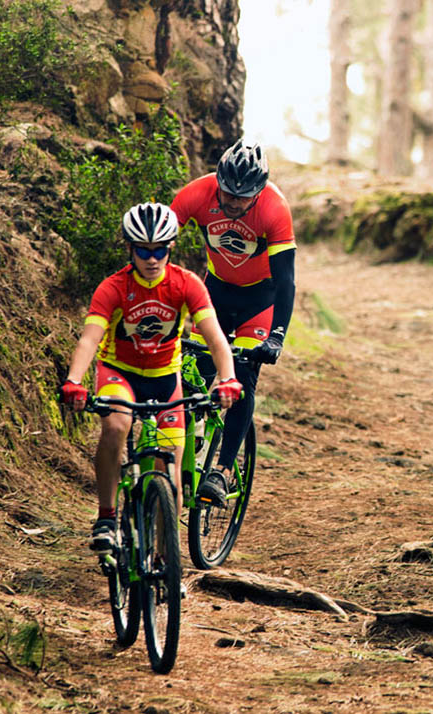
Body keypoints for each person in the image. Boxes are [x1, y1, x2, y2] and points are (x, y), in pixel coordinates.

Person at [60, 202, 242, 552]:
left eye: (159, 249)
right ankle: (107, 517)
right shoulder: (113, 287)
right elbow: (90, 338)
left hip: (164, 378)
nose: (152, 257)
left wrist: (228, 377)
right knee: (116, 426)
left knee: (170, 475)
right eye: (143, 249)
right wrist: (74, 380)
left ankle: (163, 561)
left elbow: (215, 336)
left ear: (169, 247)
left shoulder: (186, 284)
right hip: (120, 374)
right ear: (130, 248)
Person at [171, 139, 296, 507]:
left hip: (261, 301)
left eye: (244, 198)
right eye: (228, 194)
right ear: (219, 182)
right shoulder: (196, 193)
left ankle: (222, 472)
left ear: (258, 191)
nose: (235, 203)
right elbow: (159, 247)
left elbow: (286, 280)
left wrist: (276, 336)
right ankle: (183, 446)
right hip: (216, 294)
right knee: (193, 372)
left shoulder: (275, 208)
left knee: (241, 379)